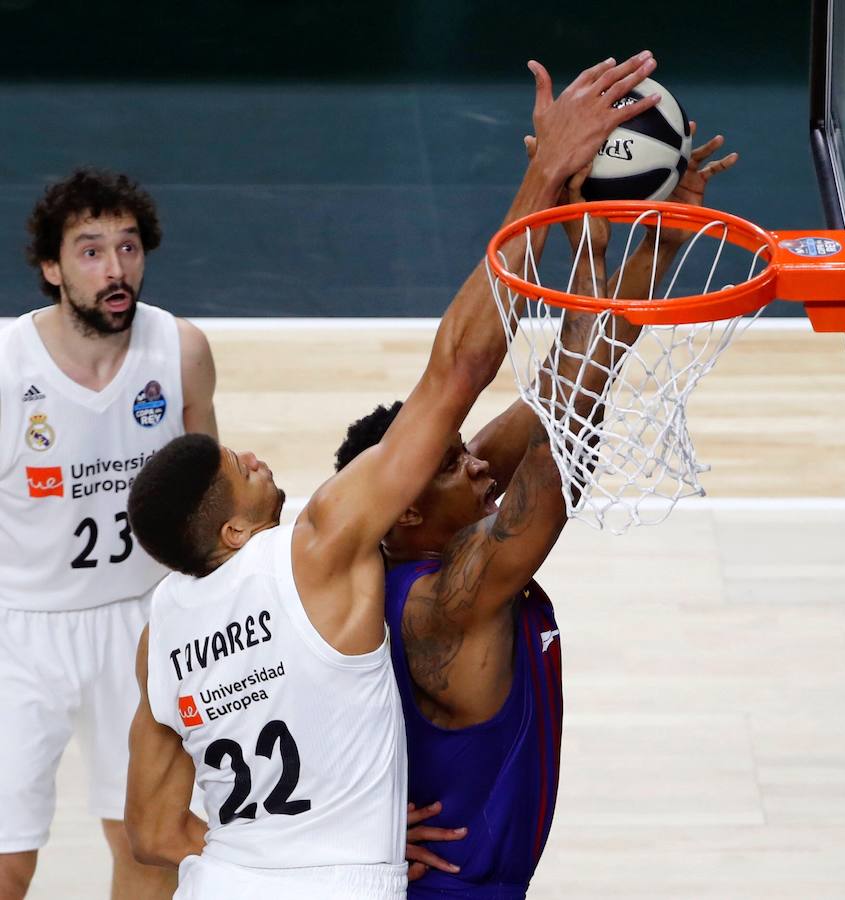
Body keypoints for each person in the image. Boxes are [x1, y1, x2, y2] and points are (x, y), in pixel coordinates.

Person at [122, 53, 662, 900]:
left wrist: (273, 848)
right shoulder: (319, 551)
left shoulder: (162, 628)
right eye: (239, 467)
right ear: (232, 531)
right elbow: (458, 370)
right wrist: (543, 175)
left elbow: (153, 834)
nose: (254, 455)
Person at [333, 125, 738, 897]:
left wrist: (654, 221)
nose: (480, 460)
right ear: (405, 515)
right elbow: (560, 451)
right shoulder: (442, 606)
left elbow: (572, 376)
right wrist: (581, 234)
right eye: (454, 463)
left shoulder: (422, 532)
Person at [0, 168, 217, 899]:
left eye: (128, 247)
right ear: (51, 268)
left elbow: (209, 501)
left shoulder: (179, 350)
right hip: (20, 629)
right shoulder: (5, 369)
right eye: (91, 251)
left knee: (147, 843)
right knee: (6, 860)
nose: (115, 268)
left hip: (145, 625)